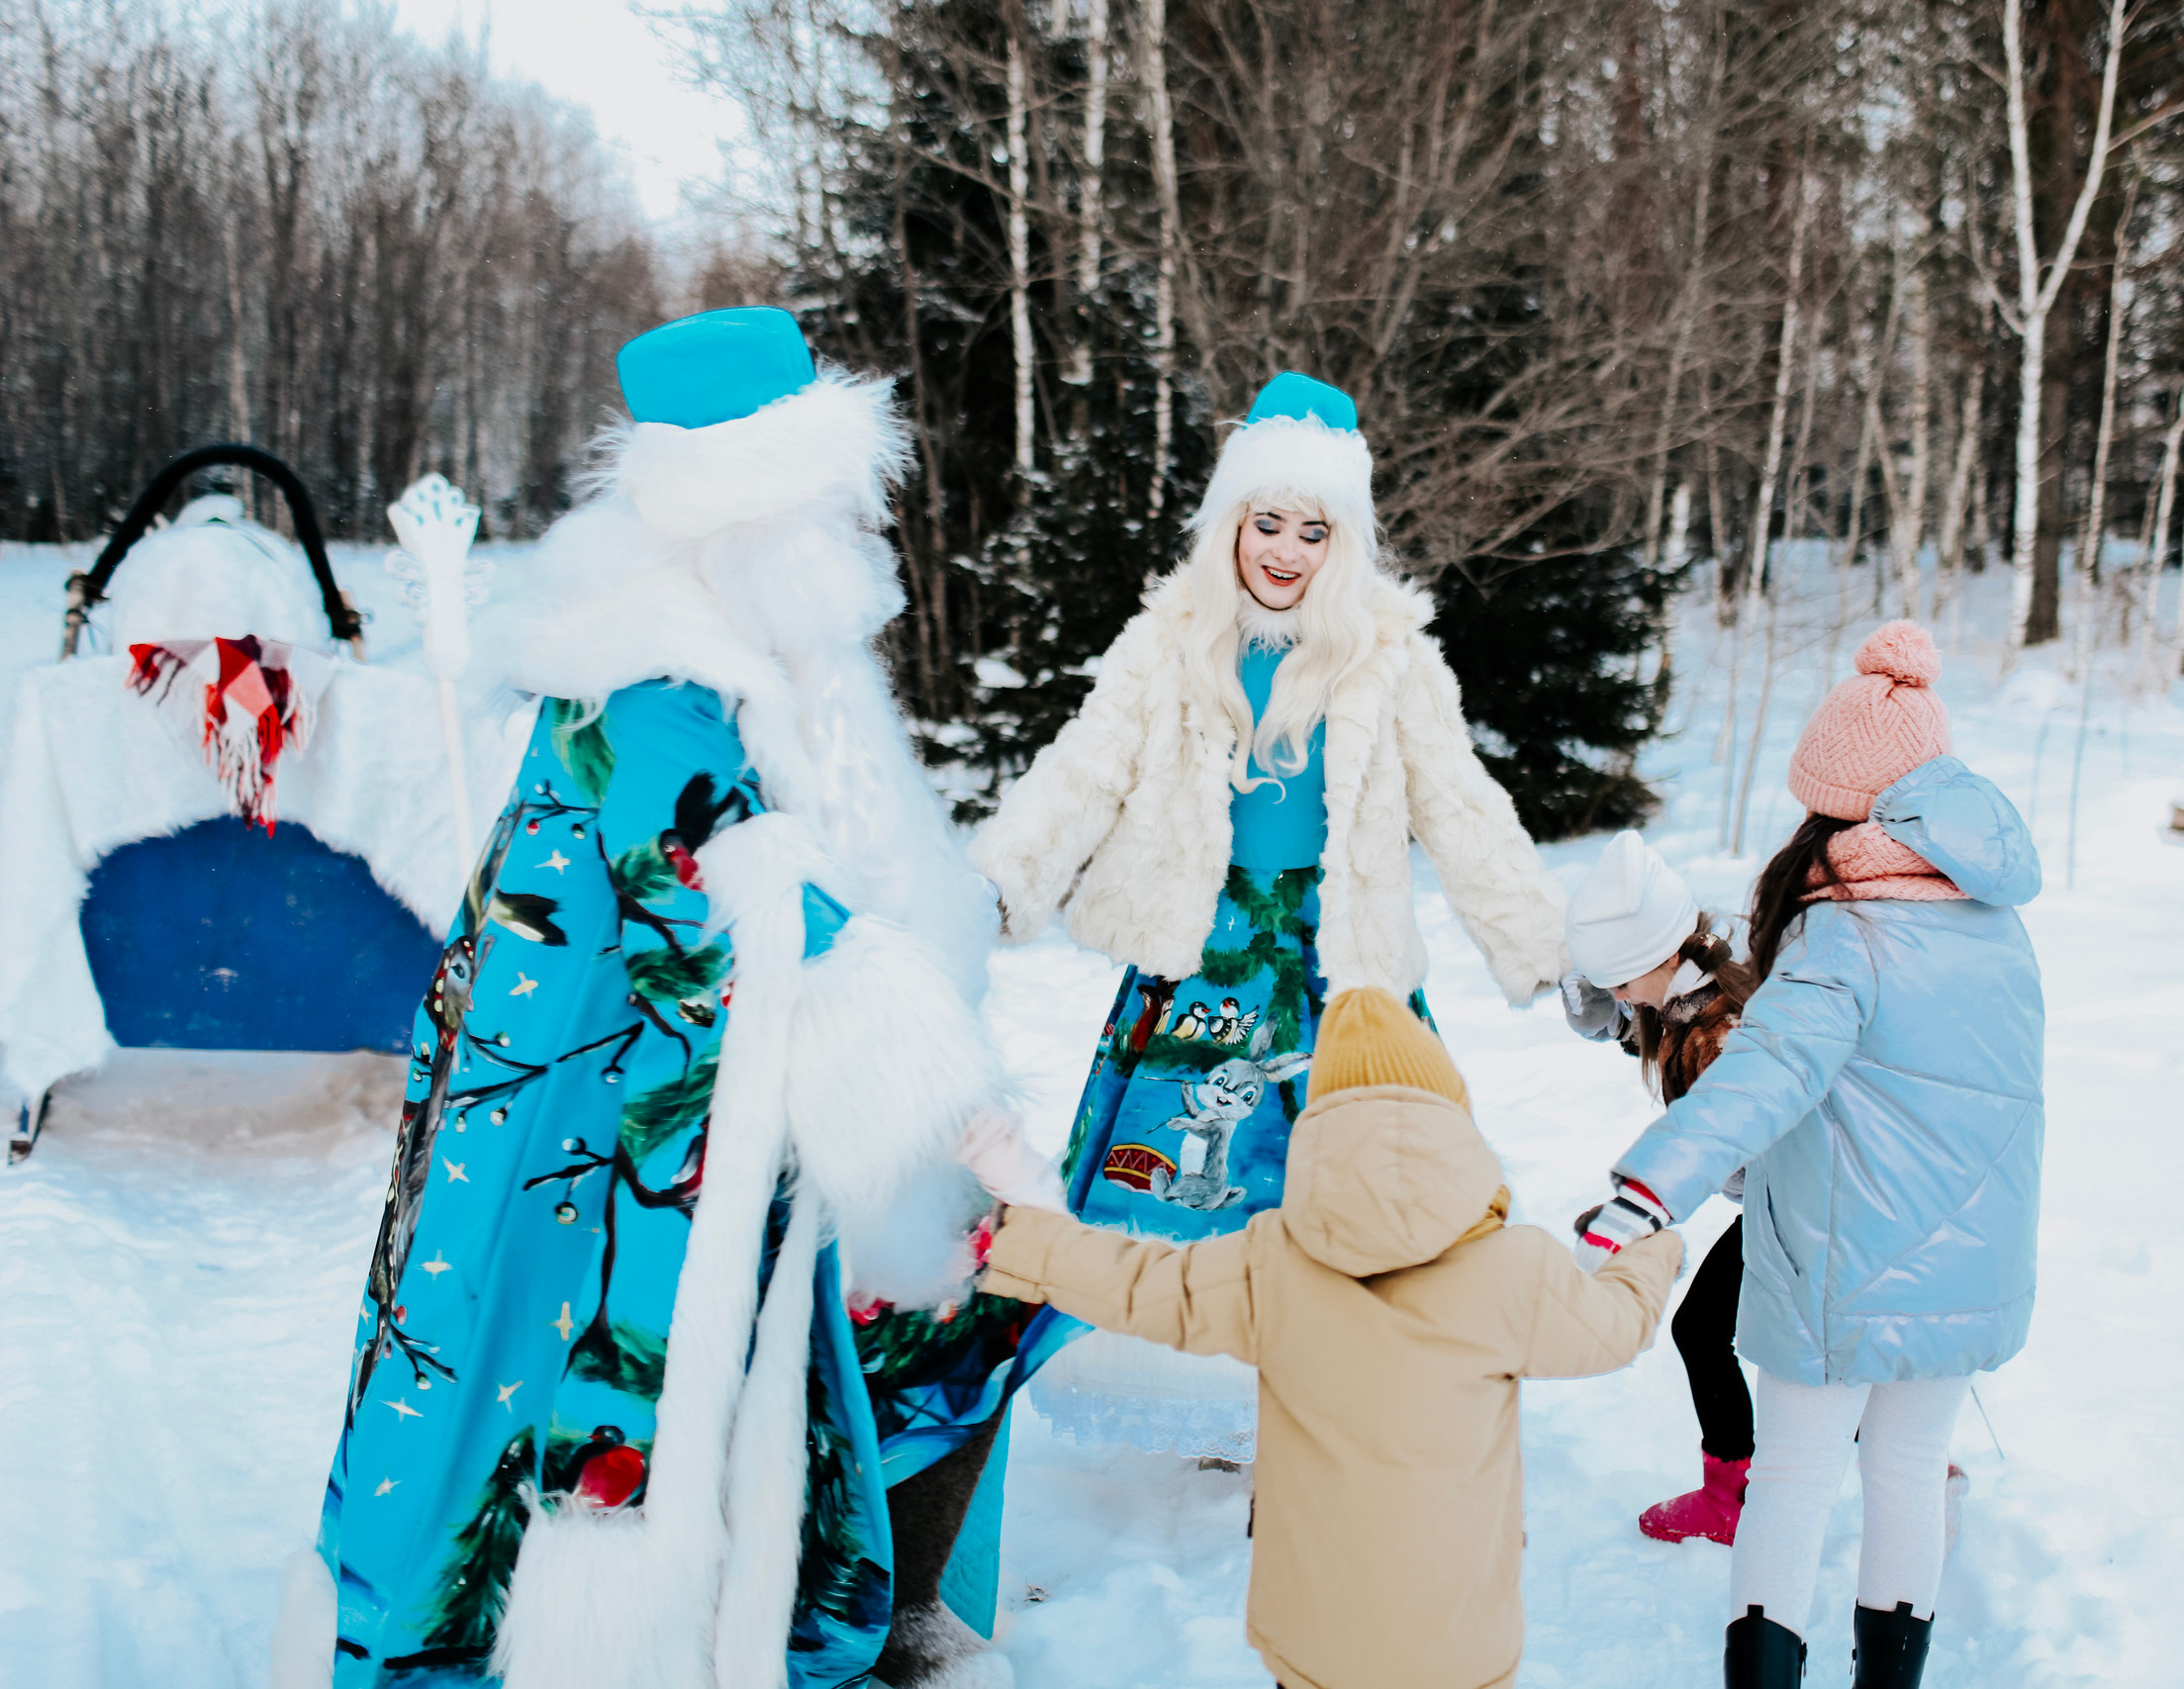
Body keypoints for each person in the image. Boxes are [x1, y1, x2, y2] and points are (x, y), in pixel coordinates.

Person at [278, 309, 1062, 1689]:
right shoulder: (654, 680)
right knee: (548, 1391)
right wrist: (949, 1103)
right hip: (587, 1133)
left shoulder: (737, 653)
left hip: (640, 1115)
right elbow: (739, 893)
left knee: (892, 1318)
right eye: (822, 509)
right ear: (749, 515)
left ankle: (862, 1604)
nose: (847, 546)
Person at [969, 371, 1567, 1461]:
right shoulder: (1171, 639)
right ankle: (1208, 1387)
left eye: (1312, 529)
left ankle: (1335, 1391)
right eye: (1265, 523)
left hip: (1342, 973)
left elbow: (1460, 804)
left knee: (1350, 1182)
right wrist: (1000, 880)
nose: (1284, 551)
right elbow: (1083, 772)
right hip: (1199, 961)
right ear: (1229, 524)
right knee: (1184, 1179)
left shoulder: (1391, 655)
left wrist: (1540, 941)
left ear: (1345, 540)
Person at [965, 987, 1682, 1689]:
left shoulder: (1274, 1266)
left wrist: (1012, 1240)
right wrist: (1651, 1249)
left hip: (1316, 1645)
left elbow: (1139, 1281)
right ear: (1455, 1119)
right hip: (1461, 1644)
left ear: (1317, 1129)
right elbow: (1615, 1326)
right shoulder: (1515, 1270)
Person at [1575, 621, 2043, 1689]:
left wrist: (1648, 1190)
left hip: (1841, 1265)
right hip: (1973, 1265)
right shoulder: (1998, 926)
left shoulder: (1845, 935)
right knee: (1908, 1473)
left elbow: (1763, 1076)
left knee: (1790, 1480)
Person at [1562, 830, 1758, 1546]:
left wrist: (1644, 1213)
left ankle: (1731, 1494)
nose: (1617, 997)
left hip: (1796, 1203)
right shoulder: (1689, 993)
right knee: (1749, 1335)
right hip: (1778, 1202)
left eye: (1621, 981)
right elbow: (1642, 1024)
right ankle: (1896, 1451)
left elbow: (1720, 1141)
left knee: (1706, 1329)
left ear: (1663, 957)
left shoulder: (1725, 1033)